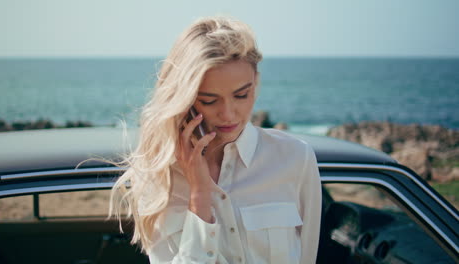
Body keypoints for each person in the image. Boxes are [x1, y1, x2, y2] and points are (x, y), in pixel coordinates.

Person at [109, 16, 322, 264]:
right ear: (185, 98)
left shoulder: (296, 157)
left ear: (256, 84)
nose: (228, 114)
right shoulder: (157, 178)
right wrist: (199, 197)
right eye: (209, 100)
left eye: (242, 95)